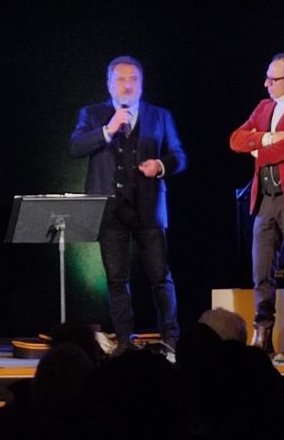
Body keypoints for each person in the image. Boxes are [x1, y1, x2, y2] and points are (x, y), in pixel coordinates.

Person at [69, 55, 187, 353]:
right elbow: (75, 146)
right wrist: (108, 130)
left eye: (133, 79)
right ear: (109, 84)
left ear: (142, 84)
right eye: (121, 80)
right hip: (110, 208)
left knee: (160, 276)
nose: (127, 86)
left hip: (148, 207)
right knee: (116, 279)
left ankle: (171, 338)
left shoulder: (159, 115)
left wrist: (160, 165)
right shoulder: (92, 114)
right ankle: (124, 340)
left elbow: (179, 156)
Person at [229, 53, 284, 361]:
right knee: (261, 269)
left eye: (272, 79)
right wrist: (266, 138)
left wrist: (262, 149)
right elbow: (236, 140)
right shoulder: (264, 107)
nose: (266, 84)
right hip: (265, 198)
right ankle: (262, 330)